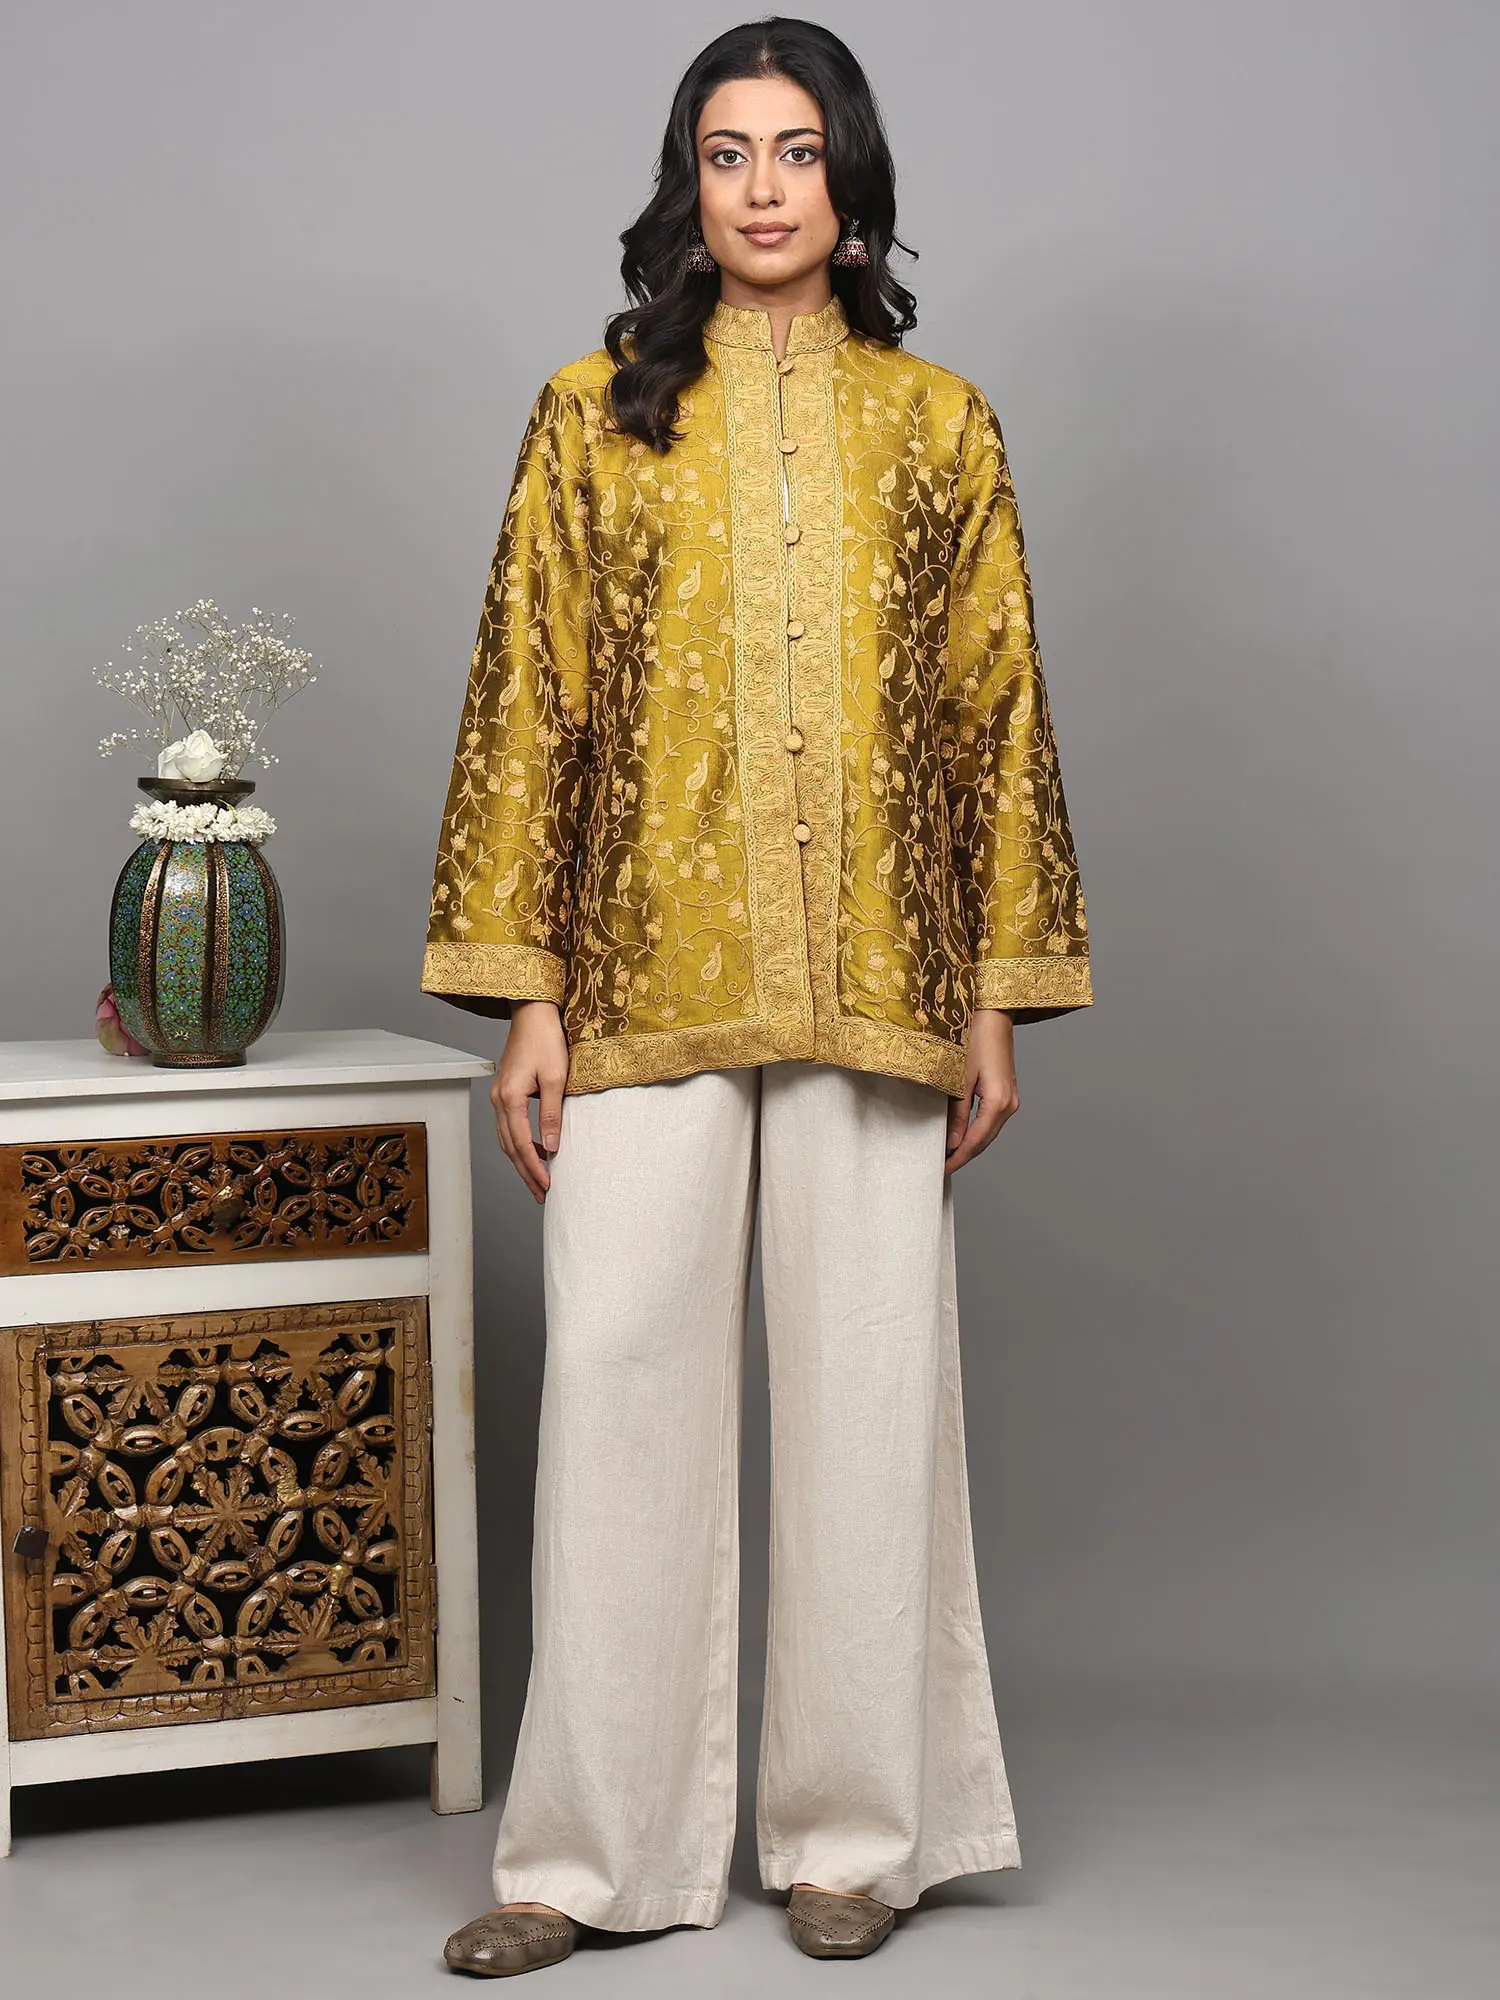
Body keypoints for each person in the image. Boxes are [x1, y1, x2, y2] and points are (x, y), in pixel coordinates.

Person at [420, 15, 1091, 1976]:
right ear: (686, 184)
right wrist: (528, 993)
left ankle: (854, 1836)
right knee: (618, 1388)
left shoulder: (940, 425)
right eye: (729, 154)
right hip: (642, 973)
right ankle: (585, 1858)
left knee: (871, 1399)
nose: (765, 188)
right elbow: (527, 700)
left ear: (849, 180)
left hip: (884, 970)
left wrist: (994, 995)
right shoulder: (591, 415)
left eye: (797, 152)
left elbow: (995, 714)